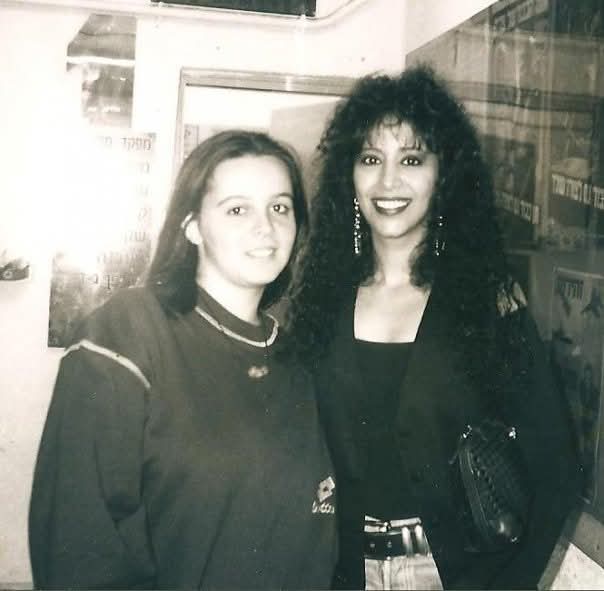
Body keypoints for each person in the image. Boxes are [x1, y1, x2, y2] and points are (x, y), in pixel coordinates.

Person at [287, 65, 579, 590]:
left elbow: (556, 467)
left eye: (412, 159)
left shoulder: (488, 302)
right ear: (349, 176)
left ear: (444, 175)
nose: (388, 181)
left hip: (453, 575)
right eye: (370, 159)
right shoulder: (319, 304)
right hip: (340, 572)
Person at [29, 130, 337, 589]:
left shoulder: (299, 357)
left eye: (280, 207)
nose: (265, 228)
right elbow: (77, 536)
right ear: (191, 225)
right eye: (237, 209)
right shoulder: (129, 330)